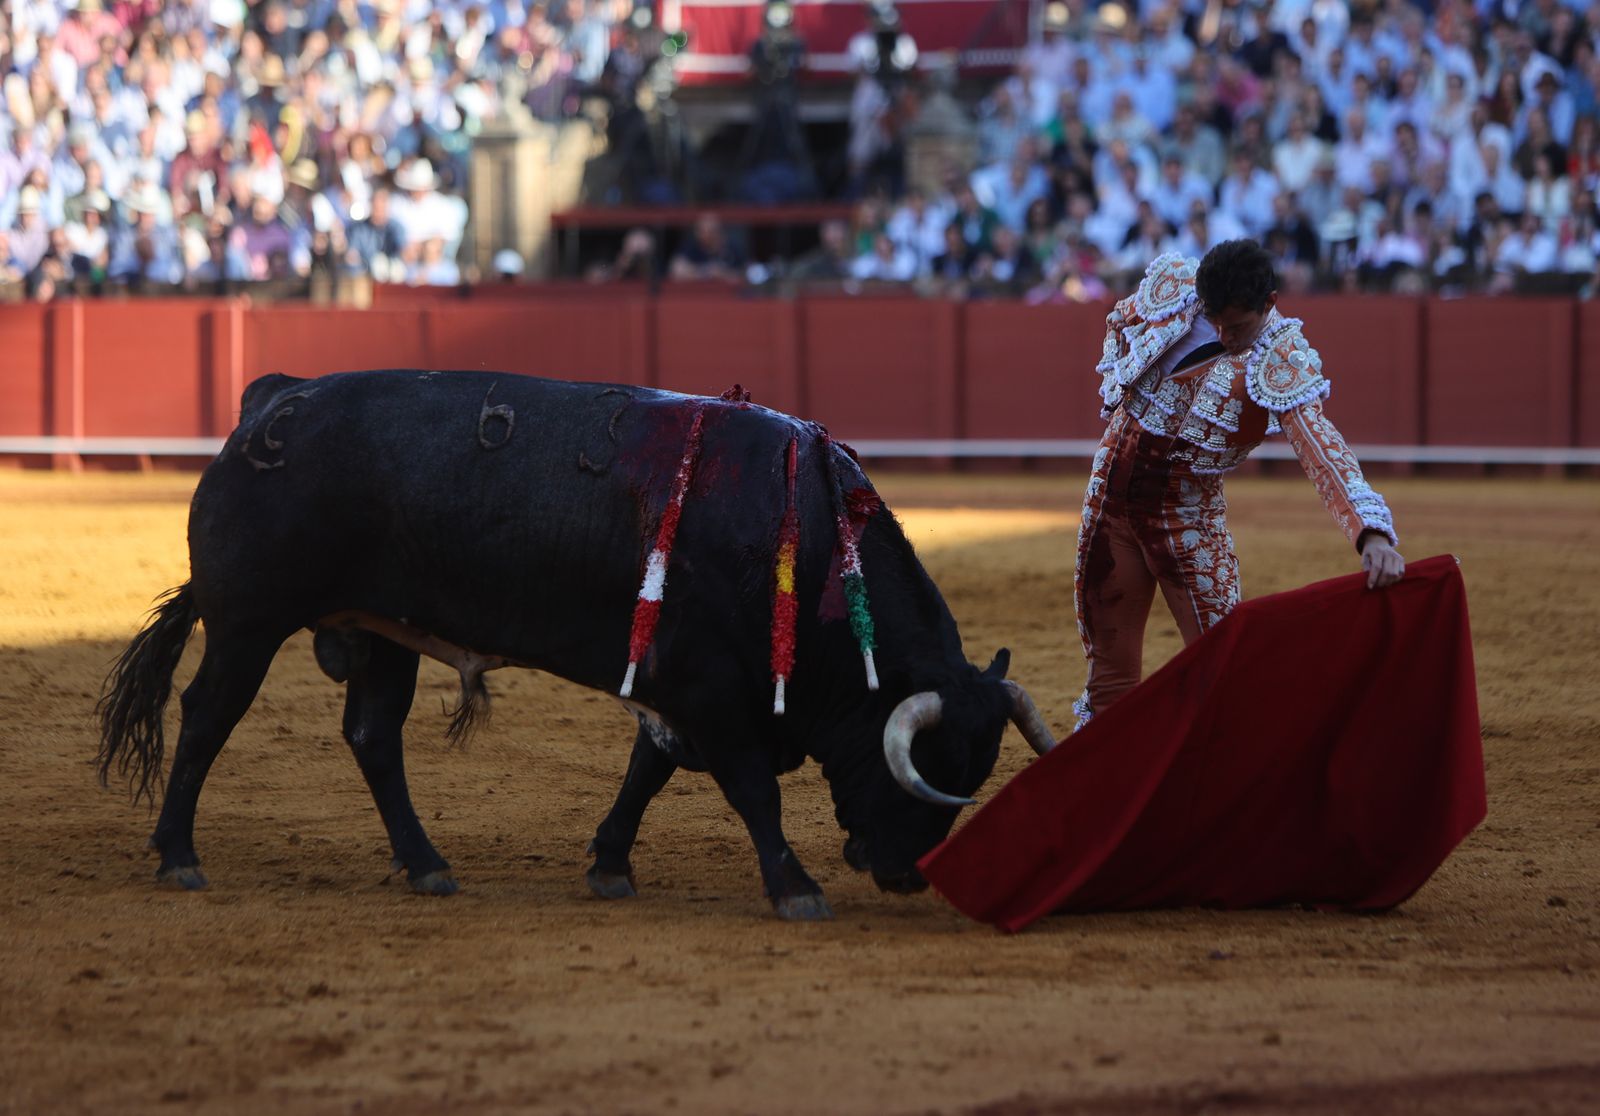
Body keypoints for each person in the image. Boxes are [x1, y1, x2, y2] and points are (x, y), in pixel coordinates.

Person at [1071, 240, 1405, 729]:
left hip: (1185, 522)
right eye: (1217, 321)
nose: (1224, 335)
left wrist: (1369, 530)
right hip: (1110, 505)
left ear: (1268, 303)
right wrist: (1125, 391)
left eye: (1237, 326)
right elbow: (1120, 320)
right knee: (1109, 679)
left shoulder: (1280, 355)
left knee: (1226, 670)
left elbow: (1320, 445)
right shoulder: (1179, 291)